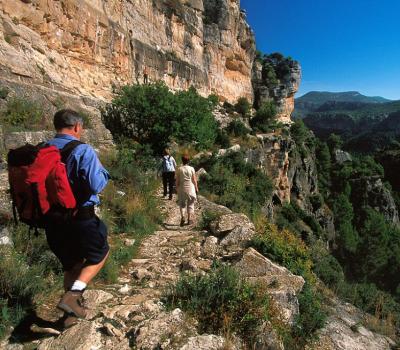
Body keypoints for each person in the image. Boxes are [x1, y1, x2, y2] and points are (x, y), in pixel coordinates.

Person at [46, 109, 110, 328]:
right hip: (79, 217)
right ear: (76, 127)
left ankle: (69, 316)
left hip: (51, 221)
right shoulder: (83, 150)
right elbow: (96, 184)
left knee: (71, 264)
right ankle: (73, 296)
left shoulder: (43, 149)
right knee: (100, 252)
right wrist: (104, 173)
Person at [176, 154, 198, 226]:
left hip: (182, 188)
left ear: (182, 160)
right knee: (190, 204)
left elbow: (177, 181)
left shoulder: (179, 169)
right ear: (189, 161)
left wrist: (177, 188)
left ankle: (182, 217)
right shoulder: (192, 169)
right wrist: (196, 187)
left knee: (182, 204)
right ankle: (189, 219)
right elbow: (194, 180)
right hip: (190, 188)